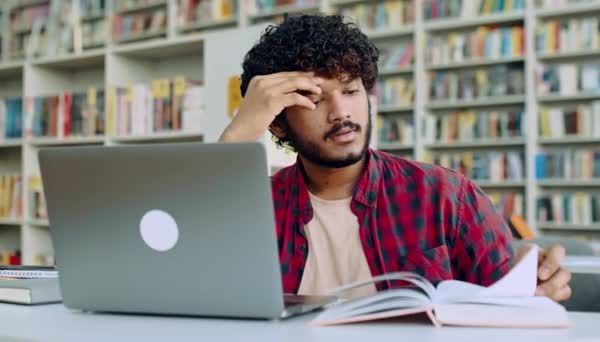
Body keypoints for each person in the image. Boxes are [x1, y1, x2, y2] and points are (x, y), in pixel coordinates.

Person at [220, 14, 571, 301]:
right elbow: (192, 282)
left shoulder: (447, 196)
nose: (341, 112)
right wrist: (239, 133)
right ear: (278, 122)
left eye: (351, 90)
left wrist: (536, 287)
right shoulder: (254, 206)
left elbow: (512, 303)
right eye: (316, 98)